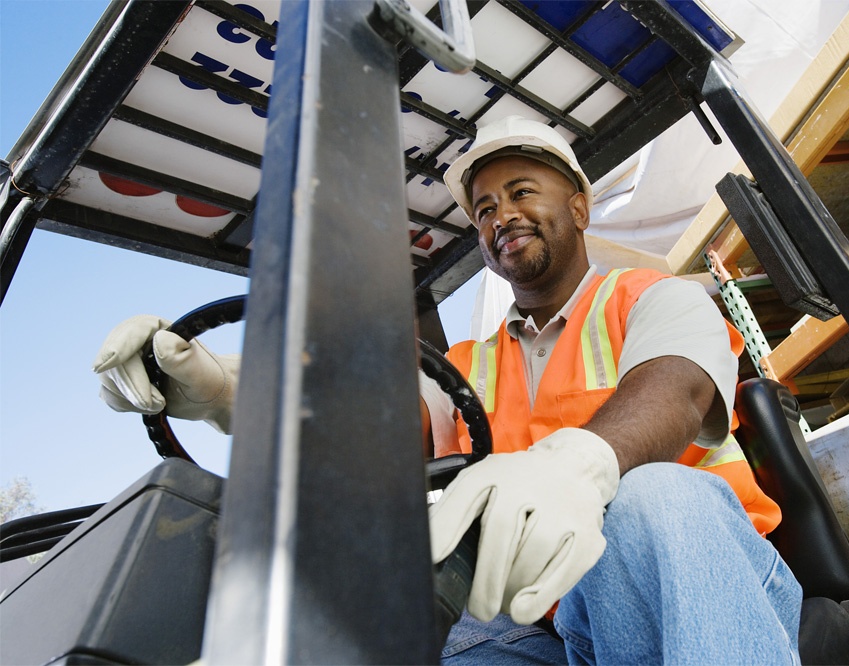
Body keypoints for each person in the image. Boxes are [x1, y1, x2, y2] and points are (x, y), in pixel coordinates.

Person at [94, 116, 802, 664]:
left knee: (653, 497)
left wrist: (580, 466)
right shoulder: (461, 365)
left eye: (522, 193)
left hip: (701, 589)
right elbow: (364, 422)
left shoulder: (653, 297)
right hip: (545, 624)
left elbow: (676, 389)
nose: (501, 216)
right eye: (485, 209)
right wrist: (225, 392)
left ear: (581, 208)